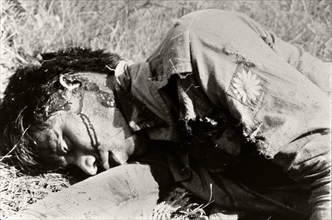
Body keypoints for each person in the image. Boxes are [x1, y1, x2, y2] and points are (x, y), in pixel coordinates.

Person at [0, 9, 330, 220]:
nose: (87, 167)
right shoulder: (165, 146)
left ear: (74, 84)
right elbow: (117, 193)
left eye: (66, 145)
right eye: (72, 165)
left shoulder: (194, 47)